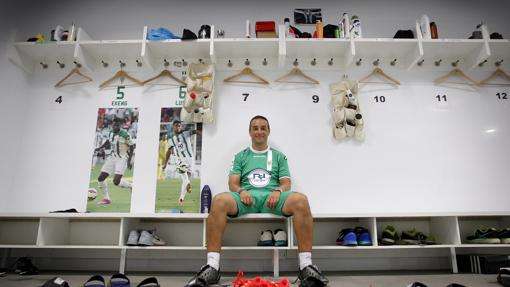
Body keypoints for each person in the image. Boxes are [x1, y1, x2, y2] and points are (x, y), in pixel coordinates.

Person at [185, 115, 328, 287]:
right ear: (250, 132)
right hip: (247, 198)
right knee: (219, 201)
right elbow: (232, 183)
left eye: (263, 128)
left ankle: (306, 266)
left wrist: (278, 190)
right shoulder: (240, 156)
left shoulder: (278, 156)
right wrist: (241, 190)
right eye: (255, 128)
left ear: (268, 131)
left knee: (301, 201)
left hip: (272, 198)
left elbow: (286, 183)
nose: (259, 131)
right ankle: (212, 267)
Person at [95, 118, 135, 205]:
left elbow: (132, 146)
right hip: (112, 158)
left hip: (122, 159)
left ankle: (132, 185)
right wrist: (100, 147)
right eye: (114, 125)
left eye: (117, 125)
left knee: (116, 182)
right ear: (112, 125)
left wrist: (129, 160)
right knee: (100, 178)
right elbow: (108, 142)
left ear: (120, 126)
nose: (115, 127)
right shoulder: (111, 132)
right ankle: (106, 199)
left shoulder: (125, 135)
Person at [162, 120, 200, 206]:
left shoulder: (185, 133)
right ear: (173, 127)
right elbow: (169, 151)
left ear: (181, 126)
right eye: (176, 126)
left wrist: (203, 135)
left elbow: (195, 131)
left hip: (190, 159)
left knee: (186, 180)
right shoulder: (170, 138)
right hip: (180, 159)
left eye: (179, 126)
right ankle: (186, 188)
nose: (178, 127)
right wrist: (165, 163)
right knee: (184, 175)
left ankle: (181, 198)